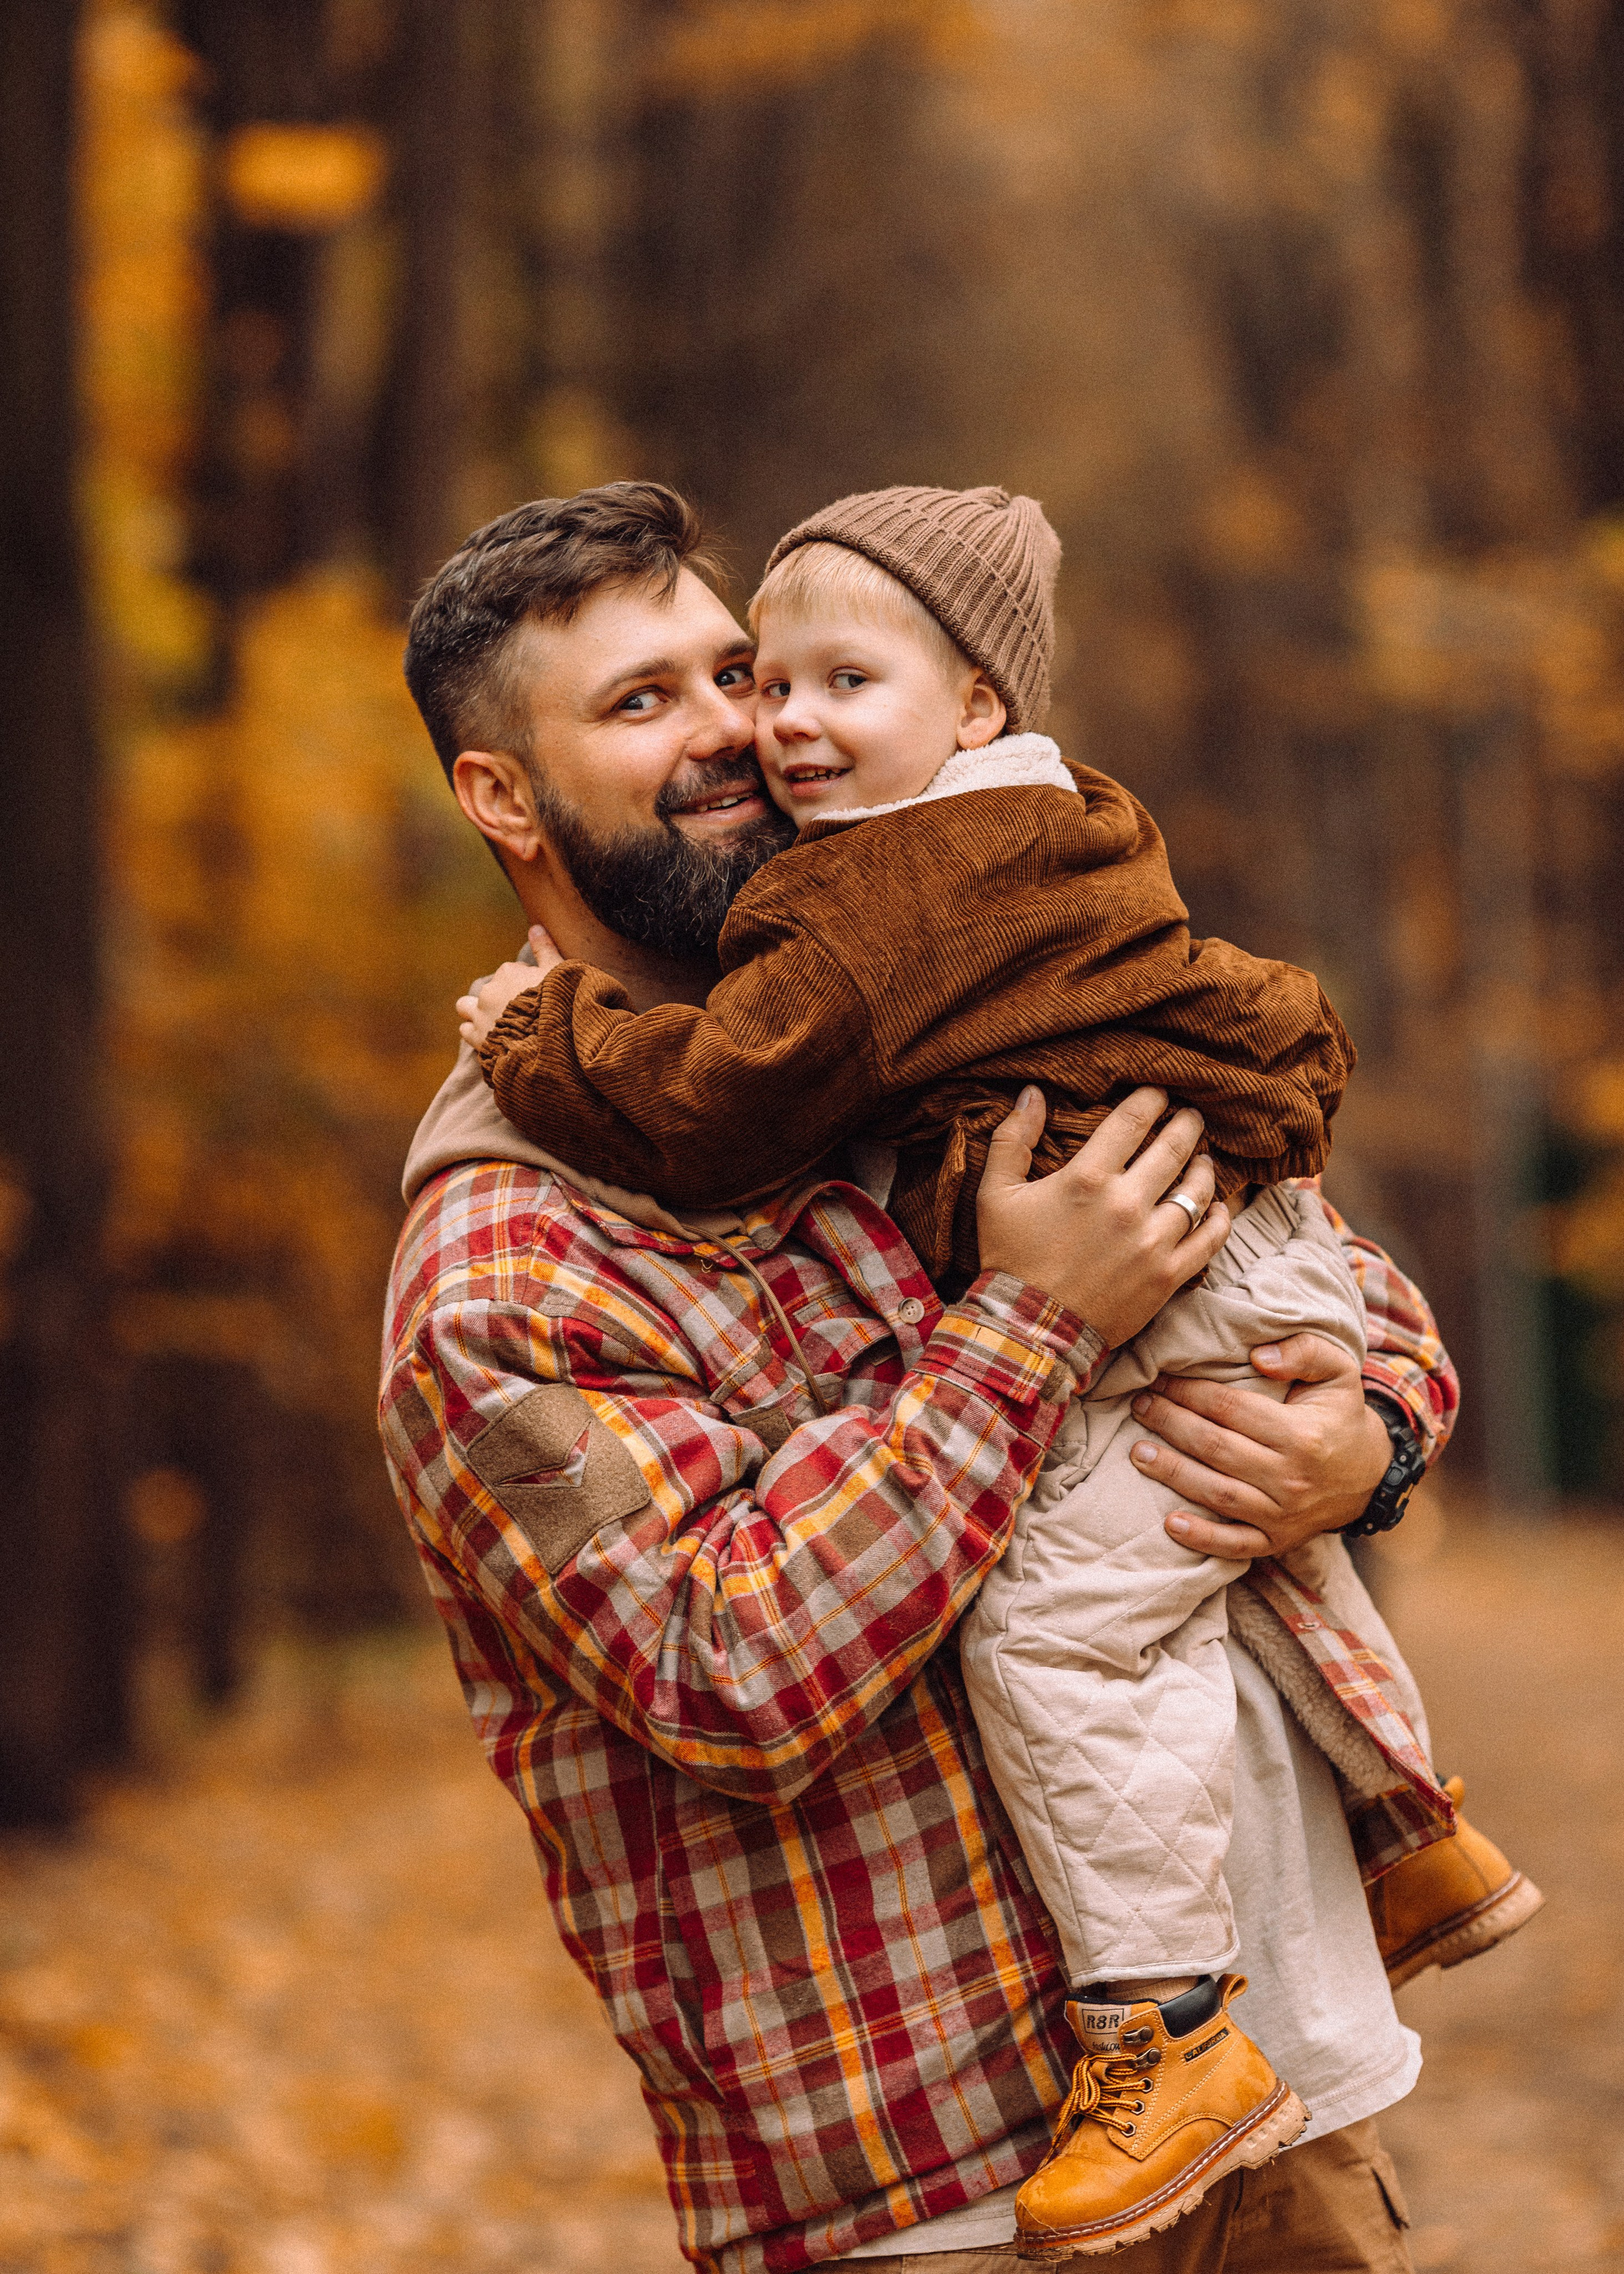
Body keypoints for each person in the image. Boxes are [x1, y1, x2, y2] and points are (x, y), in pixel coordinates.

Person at [381, 481, 1478, 2274]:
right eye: (642, 703)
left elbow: (1312, 1257)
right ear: (501, 794)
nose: (741, 731)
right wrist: (1032, 1328)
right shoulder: (504, 1262)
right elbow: (726, 1670)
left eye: (736, 671)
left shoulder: (908, 998)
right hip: (934, 2195)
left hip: (1271, 2093)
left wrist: (1364, 1441)